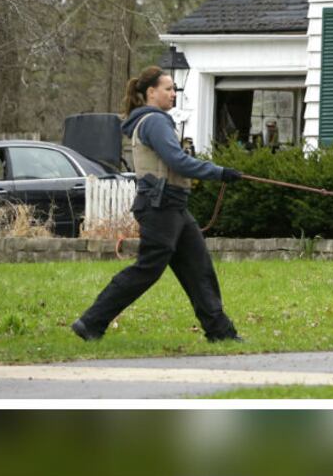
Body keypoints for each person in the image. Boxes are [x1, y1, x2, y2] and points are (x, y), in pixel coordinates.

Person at [70, 65, 245, 343]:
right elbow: (178, 161)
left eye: (174, 89)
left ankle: (220, 331)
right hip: (160, 206)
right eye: (168, 89)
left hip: (172, 205)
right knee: (148, 270)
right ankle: (91, 322)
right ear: (151, 93)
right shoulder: (154, 122)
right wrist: (219, 172)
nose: (173, 94)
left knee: (198, 267)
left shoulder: (154, 120)